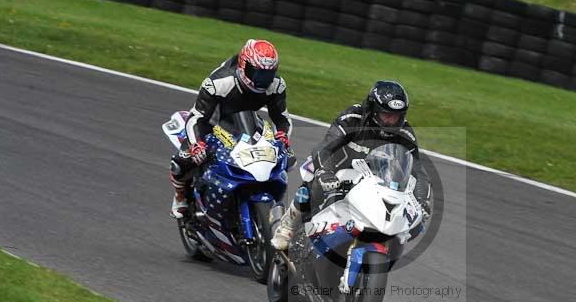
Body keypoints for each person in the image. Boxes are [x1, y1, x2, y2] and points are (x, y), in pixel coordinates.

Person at [270, 80, 431, 250]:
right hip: (339, 169)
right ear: (373, 110)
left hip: (375, 181)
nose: (391, 121)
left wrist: (422, 200)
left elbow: (418, 171)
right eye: (386, 115)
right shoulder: (352, 118)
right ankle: (287, 227)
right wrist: (324, 171)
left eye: (396, 116)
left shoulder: (405, 132)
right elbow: (325, 147)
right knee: (311, 176)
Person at [170, 39, 294, 217]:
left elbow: (282, 118)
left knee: (287, 160)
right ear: (244, 66)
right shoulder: (219, 83)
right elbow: (197, 117)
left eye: (268, 75)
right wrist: (197, 144)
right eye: (258, 74)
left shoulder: (276, 85)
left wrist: (282, 137)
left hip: (247, 119)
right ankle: (180, 195)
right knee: (182, 161)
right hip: (212, 118)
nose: (263, 81)